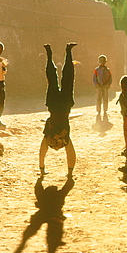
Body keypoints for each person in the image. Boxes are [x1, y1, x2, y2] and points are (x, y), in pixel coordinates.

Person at [12, 175, 75, 253]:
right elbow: (67, 187)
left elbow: (37, 187)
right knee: (55, 234)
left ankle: (23, 242)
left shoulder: (41, 194)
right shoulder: (59, 195)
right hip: (55, 215)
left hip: (41, 213)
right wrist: (70, 178)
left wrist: (40, 179)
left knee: (31, 229)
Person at [39, 43, 77, 178]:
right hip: (54, 105)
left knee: (67, 79)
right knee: (54, 79)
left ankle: (65, 52)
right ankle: (52, 55)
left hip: (64, 105)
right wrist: (41, 168)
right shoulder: (49, 136)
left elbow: (70, 152)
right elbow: (43, 151)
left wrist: (70, 172)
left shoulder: (64, 138)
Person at [92, 55, 112, 120]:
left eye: (103, 61)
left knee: (105, 99)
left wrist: (108, 84)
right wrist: (96, 84)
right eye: (100, 61)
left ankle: (105, 111)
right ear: (98, 62)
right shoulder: (96, 70)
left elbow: (110, 78)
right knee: (98, 99)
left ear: (105, 61)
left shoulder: (108, 70)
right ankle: (98, 111)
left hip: (105, 87)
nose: (102, 62)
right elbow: (94, 78)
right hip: (99, 87)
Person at [0, 41, 9, 129]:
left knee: (1, 101)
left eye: (1, 50)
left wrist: (3, 67)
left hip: (1, 81)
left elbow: (4, 72)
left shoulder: (1, 59)